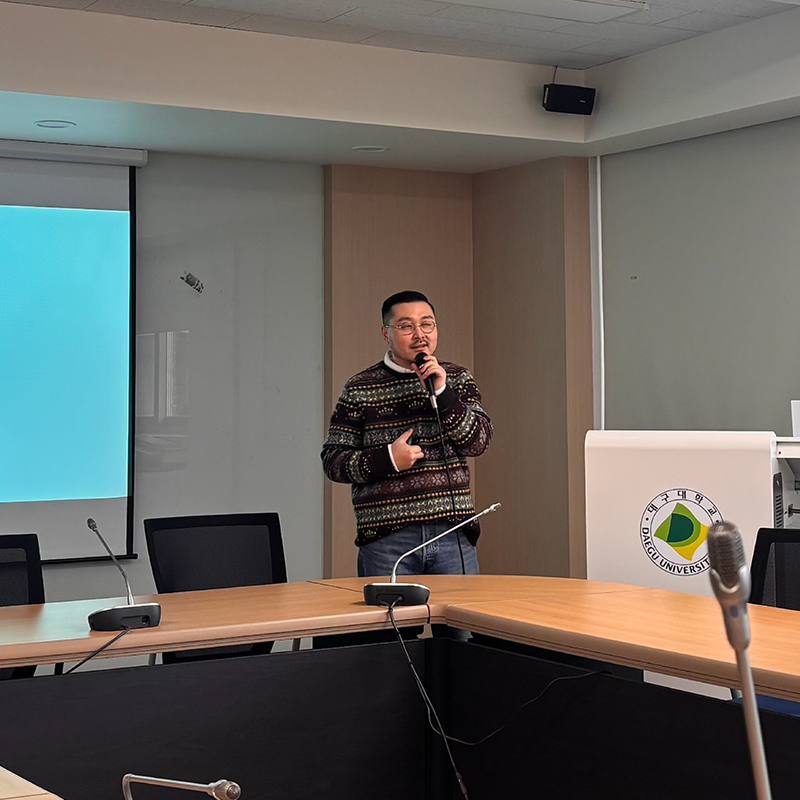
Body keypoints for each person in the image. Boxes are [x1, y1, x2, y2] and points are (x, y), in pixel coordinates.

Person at [321, 290, 493, 579]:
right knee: (390, 612)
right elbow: (333, 461)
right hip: (388, 540)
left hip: (452, 535)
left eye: (427, 324)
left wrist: (443, 392)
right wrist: (388, 459)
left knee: (460, 612)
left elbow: (478, 442)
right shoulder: (359, 388)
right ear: (386, 334)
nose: (419, 334)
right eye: (406, 326)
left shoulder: (456, 378)